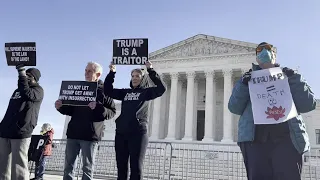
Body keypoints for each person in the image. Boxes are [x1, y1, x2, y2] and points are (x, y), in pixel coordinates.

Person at [228, 42, 316, 180]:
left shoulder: (290, 76)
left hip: (288, 140)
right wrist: (244, 85)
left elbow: (308, 104)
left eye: (268, 49)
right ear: (256, 58)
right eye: (260, 50)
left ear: (275, 55)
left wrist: (294, 79)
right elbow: (234, 107)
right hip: (255, 142)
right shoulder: (246, 80)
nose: (264, 52)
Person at [104, 60, 166, 180]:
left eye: (137, 76)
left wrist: (151, 70)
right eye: (132, 76)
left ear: (142, 78)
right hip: (121, 133)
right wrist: (112, 72)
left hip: (138, 133)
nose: (134, 78)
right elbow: (108, 91)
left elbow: (161, 89)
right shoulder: (125, 92)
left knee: (136, 168)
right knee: (121, 168)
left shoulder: (146, 92)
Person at [55, 62, 116, 180]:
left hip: (90, 135)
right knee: (68, 167)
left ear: (98, 74)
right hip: (73, 133)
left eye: (89, 71)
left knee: (87, 169)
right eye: (85, 70)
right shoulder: (78, 89)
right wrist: (61, 107)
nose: (86, 73)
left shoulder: (104, 92)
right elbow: (71, 110)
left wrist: (98, 107)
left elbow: (112, 111)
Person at [0, 65, 44, 180]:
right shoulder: (17, 91)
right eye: (26, 75)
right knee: (3, 165)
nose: (26, 77)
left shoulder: (38, 90)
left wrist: (21, 74)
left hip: (21, 131)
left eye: (29, 76)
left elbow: (27, 93)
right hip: (6, 131)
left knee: (19, 166)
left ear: (35, 78)